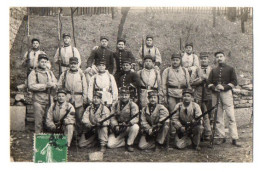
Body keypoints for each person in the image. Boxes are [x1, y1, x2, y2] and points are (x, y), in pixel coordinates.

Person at [207, 50, 241, 147]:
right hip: (215, 94)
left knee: (231, 116)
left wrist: (224, 87)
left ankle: (234, 138)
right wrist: (215, 88)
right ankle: (221, 136)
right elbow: (208, 83)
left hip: (226, 93)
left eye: (221, 56)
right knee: (218, 116)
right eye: (217, 57)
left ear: (224, 57)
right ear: (215, 59)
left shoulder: (230, 69)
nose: (219, 58)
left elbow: (234, 82)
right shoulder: (213, 70)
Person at [57, 57, 88, 136]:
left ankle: (78, 136)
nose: (73, 65)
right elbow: (59, 85)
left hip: (78, 99)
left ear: (77, 64)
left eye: (75, 64)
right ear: (69, 65)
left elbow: (85, 87)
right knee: (66, 116)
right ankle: (66, 135)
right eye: (71, 64)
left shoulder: (81, 74)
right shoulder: (64, 74)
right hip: (67, 98)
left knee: (79, 117)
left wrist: (84, 99)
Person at [28, 54, 57, 133]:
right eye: (42, 62)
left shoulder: (49, 72)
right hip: (38, 100)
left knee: (48, 121)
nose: (44, 63)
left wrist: (53, 85)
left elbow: (55, 83)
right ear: (38, 62)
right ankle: (39, 142)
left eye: (45, 62)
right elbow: (31, 86)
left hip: (48, 99)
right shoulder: (34, 73)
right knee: (38, 122)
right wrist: (44, 86)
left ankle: (47, 142)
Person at [107, 87, 139, 152]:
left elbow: (136, 118)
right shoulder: (115, 104)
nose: (124, 97)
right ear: (119, 95)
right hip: (118, 127)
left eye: (126, 95)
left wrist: (128, 123)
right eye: (122, 95)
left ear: (129, 95)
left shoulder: (133, 105)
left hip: (128, 127)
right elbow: (112, 117)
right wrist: (116, 125)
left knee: (135, 127)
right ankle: (124, 141)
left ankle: (129, 144)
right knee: (110, 145)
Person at [190, 52, 212, 140]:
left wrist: (207, 79)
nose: (204, 60)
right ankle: (200, 133)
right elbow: (191, 82)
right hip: (198, 95)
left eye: (205, 58)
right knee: (198, 114)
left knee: (209, 114)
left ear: (208, 59)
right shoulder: (196, 70)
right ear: (200, 60)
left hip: (209, 95)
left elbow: (214, 82)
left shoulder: (212, 70)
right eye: (202, 59)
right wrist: (200, 79)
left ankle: (207, 133)